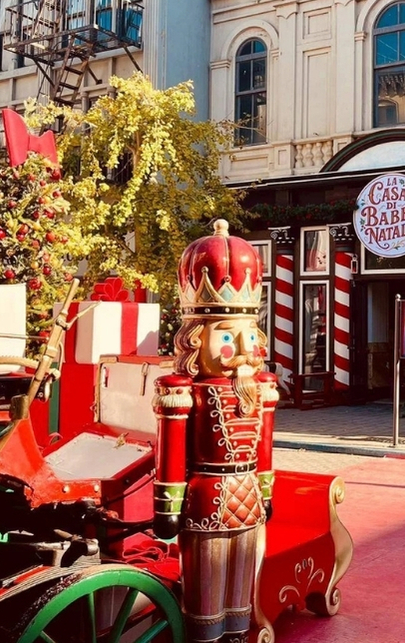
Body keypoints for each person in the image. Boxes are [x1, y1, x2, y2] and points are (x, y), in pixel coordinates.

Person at [152, 219, 278, 643]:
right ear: (194, 340)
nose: (243, 350)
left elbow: (263, 446)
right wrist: (167, 504)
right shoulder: (181, 393)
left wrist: (265, 491)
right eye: (227, 336)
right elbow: (170, 453)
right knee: (206, 591)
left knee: (242, 583)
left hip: (246, 495)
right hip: (206, 498)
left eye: (248, 337)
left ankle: (238, 634)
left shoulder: (261, 390)